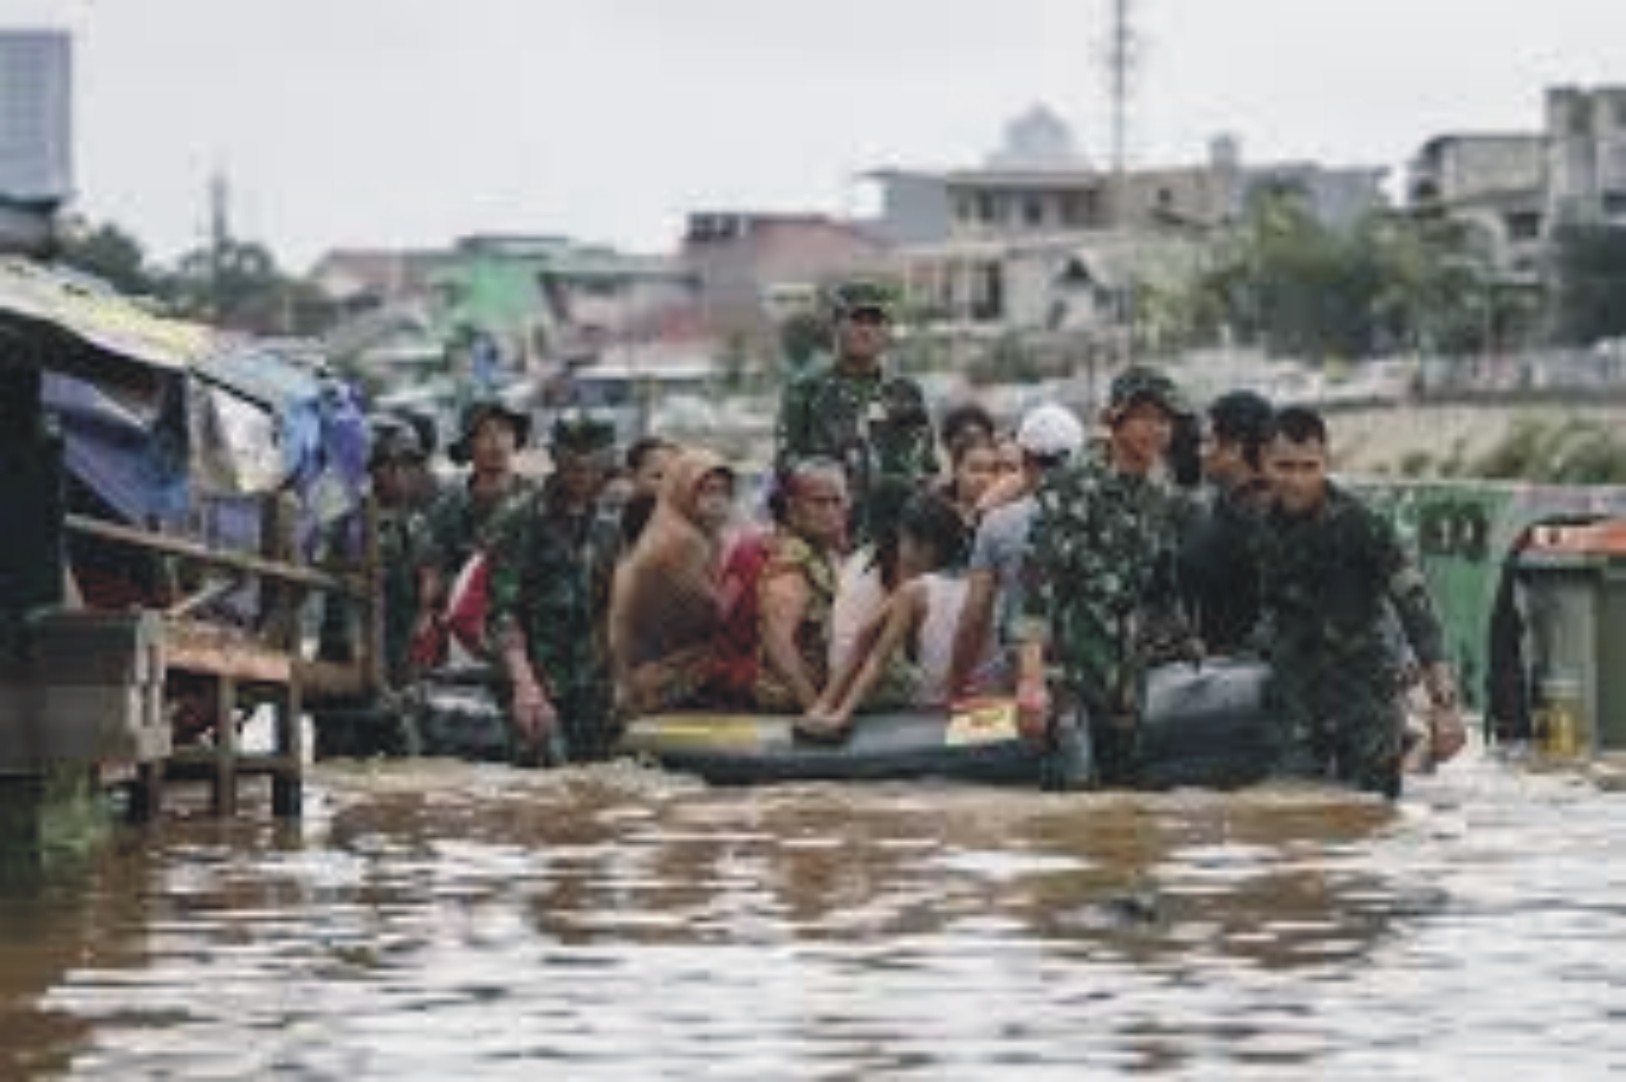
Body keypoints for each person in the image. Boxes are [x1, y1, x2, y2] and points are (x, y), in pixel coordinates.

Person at [1256, 406, 1466, 796]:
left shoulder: (1361, 526)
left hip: (1361, 709)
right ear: (1265, 463)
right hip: (1291, 711)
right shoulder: (1257, 526)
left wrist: (1445, 705)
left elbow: (1416, 610)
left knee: (1370, 822)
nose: (1297, 480)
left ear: (1326, 463)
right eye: (1285, 467)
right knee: (1288, 825)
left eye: (1309, 467)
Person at [1015, 366, 1196, 786]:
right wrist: (1030, 679)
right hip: (1069, 677)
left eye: (1165, 420)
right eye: (1145, 417)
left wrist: (1184, 636)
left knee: (1120, 813)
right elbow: (1037, 589)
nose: (1157, 430)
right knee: (1072, 801)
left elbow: (1161, 582)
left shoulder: (1157, 496)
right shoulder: (1072, 486)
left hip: (1126, 679)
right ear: (1115, 419)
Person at [488, 413, 623, 764]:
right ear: (555, 459)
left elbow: (615, 609)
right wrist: (525, 686)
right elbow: (503, 613)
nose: (582, 476)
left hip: (594, 689)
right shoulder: (519, 519)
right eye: (572, 465)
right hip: (537, 685)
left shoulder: (610, 523)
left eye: (593, 465)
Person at [799, 493, 982, 740]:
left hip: (933, 710)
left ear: (921, 546)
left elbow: (874, 653)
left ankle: (826, 707)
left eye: (902, 540)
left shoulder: (913, 591)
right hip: (984, 702)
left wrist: (838, 713)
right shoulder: (981, 583)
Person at [773, 278, 939, 542]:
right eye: (857, 320)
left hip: (891, 535)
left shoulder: (904, 391)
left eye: (875, 322)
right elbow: (787, 464)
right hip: (825, 534)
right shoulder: (807, 388)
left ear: (887, 330)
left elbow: (925, 467)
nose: (866, 330)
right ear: (837, 324)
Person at [946, 403, 1087, 698]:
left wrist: (956, 686)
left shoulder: (999, 524)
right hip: (1096, 668)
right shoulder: (1110, 514)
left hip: (1024, 677)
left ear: (1024, 459)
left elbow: (974, 617)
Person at [609, 448, 737, 715]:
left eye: (724, 492)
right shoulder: (682, 540)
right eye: (707, 491)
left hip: (647, 676)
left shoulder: (688, 532)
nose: (717, 501)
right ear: (682, 490)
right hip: (659, 681)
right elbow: (715, 616)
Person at [414, 399, 535, 666]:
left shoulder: (538, 503)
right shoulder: (446, 510)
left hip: (533, 641)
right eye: (484, 433)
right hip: (464, 644)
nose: (496, 442)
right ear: (469, 445)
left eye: (504, 431)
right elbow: (431, 577)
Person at [1178, 390, 1275, 657]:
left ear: (1234, 449)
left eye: (1209, 441)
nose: (1200, 452)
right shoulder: (1291, 508)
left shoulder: (1236, 526)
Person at [755, 459, 850, 713]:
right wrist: (814, 707)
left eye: (837, 501)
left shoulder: (825, 551)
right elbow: (778, 644)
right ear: (793, 507)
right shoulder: (791, 564)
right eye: (819, 502)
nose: (830, 511)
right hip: (790, 702)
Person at [937, 430, 1001, 526]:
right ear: (955, 469)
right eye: (975, 469)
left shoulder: (1004, 516)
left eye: (992, 470)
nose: (984, 478)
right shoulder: (934, 513)